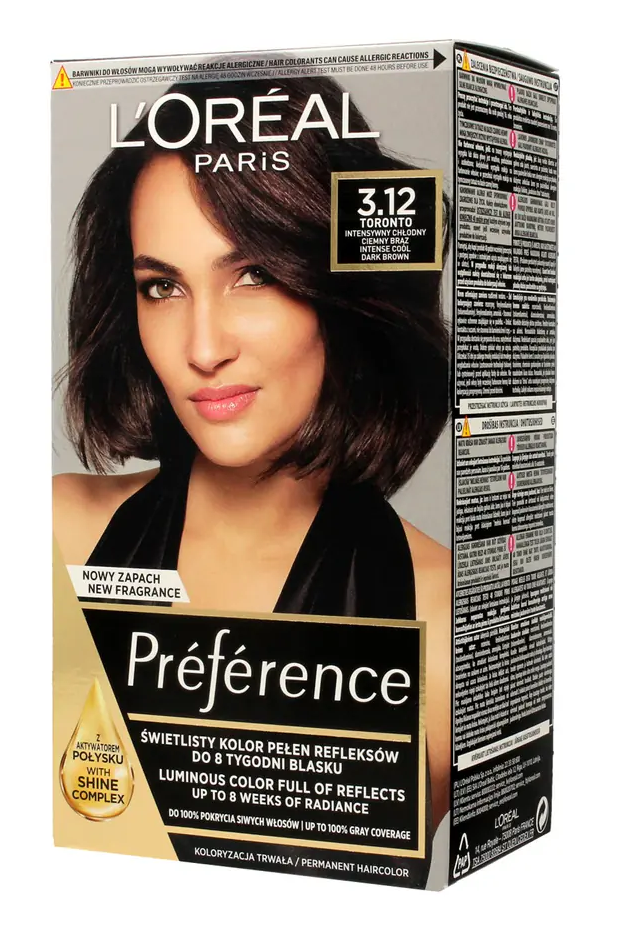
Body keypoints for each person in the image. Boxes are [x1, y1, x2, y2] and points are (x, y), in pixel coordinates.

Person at [53, 76, 452, 877]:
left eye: (255, 275)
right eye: (162, 287)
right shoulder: (51, 536)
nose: (203, 348)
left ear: (342, 288)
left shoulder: (444, 628)